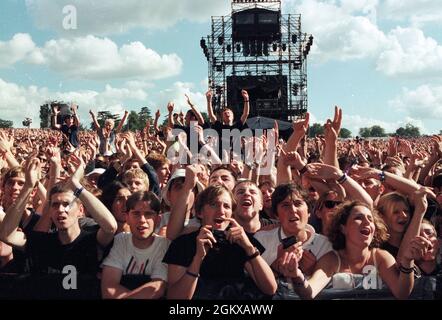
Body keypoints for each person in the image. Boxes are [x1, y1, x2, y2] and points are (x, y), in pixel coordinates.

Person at [278, 201, 430, 299]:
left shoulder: (381, 257)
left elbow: (402, 293)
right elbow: (310, 291)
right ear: (343, 228)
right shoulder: (332, 260)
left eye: (370, 219)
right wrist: (297, 276)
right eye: (359, 218)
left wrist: (407, 262)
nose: (367, 222)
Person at [0, 156, 117, 275]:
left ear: (80, 210)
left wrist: (76, 185)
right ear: (50, 211)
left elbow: (110, 227)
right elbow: (7, 235)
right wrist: (28, 186)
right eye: (55, 205)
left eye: (67, 204)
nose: (61, 209)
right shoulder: (42, 242)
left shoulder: (91, 240)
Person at [163, 185, 277, 299]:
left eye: (226, 206)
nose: (221, 211)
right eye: (213, 204)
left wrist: (249, 248)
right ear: (199, 213)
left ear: (231, 214)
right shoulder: (182, 244)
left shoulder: (240, 241)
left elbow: (270, 289)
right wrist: (198, 258)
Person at [101, 191, 169, 299]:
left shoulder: (164, 245)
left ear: (158, 219)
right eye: (136, 214)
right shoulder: (120, 240)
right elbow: (109, 287)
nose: (142, 220)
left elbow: (157, 288)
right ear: (127, 217)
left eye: (148, 214)